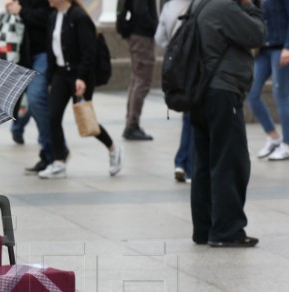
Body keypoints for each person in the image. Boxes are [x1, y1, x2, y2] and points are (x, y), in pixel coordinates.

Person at [190, 0, 264, 248]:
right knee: (230, 162)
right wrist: (250, 6)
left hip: (201, 93)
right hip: (222, 91)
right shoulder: (225, 7)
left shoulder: (199, 5)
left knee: (204, 162)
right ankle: (227, 230)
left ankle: (204, 229)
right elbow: (257, 33)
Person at [39, 0, 122, 180]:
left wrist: (82, 77)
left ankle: (113, 148)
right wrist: (50, 78)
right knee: (53, 116)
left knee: (86, 121)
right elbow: (51, 50)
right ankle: (59, 161)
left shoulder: (79, 17)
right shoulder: (53, 17)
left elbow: (89, 50)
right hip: (60, 75)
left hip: (79, 76)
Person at [6, 0, 64, 174]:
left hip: (44, 53)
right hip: (24, 53)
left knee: (36, 99)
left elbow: (47, 16)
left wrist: (21, 11)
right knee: (30, 100)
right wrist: (11, 8)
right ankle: (54, 151)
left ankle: (52, 153)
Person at [247, 0, 289, 161]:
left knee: (282, 95)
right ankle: (273, 136)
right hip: (264, 48)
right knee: (252, 92)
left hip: (283, 47)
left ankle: (288, 145)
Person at [155, 0, 193, 183]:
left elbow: (159, 38)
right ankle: (188, 165)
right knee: (192, 117)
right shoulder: (195, 4)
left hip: (176, 62)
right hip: (193, 62)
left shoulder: (169, 6)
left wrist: (173, 47)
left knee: (188, 115)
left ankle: (181, 161)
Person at [120, 0, 158, 141]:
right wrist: (153, 26)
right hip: (143, 36)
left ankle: (131, 122)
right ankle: (132, 125)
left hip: (137, 34)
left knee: (136, 80)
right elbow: (141, 10)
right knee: (142, 81)